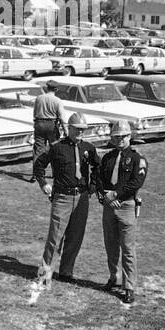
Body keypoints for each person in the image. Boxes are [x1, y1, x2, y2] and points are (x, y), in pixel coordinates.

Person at [31, 112, 100, 292]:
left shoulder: (89, 148)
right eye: (77, 129)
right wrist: (44, 183)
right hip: (62, 197)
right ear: (68, 128)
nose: (80, 133)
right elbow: (39, 165)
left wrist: (93, 185)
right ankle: (45, 274)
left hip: (82, 197)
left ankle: (66, 272)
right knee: (55, 237)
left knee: (75, 237)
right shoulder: (57, 147)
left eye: (83, 130)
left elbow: (97, 167)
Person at [98, 120, 148, 306]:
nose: (120, 139)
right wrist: (105, 197)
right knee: (110, 245)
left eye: (124, 136)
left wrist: (116, 194)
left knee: (127, 249)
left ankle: (129, 287)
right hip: (109, 205)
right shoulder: (108, 158)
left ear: (130, 137)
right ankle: (114, 277)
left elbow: (136, 182)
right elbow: (99, 179)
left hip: (126, 206)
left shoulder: (137, 159)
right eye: (117, 136)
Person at [31, 83, 64, 166]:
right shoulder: (57, 100)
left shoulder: (39, 98)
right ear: (56, 89)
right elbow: (61, 116)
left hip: (39, 124)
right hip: (52, 125)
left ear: (47, 88)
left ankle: (36, 174)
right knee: (55, 148)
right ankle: (56, 172)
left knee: (38, 149)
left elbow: (35, 113)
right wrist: (65, 129)